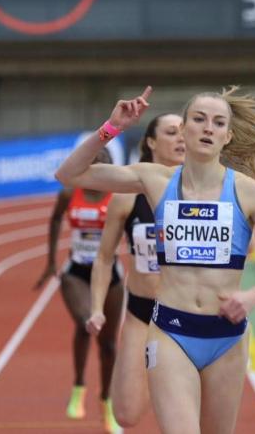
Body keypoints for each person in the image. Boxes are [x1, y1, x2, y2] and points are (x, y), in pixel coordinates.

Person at [56, 86, 255, 434]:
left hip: (227, 338)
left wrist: (252, 296)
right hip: (171, 333)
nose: (208, 128)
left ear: (227, 136)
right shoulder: (155, 180)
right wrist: (112, 128)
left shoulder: (248, 192)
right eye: (199, 120)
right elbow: (68, 175)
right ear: (184, 130)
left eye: (218, 123)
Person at [85, 113, 185, 428]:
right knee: (126, 412)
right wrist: (97, 308)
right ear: (151, 142)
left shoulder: (204, 192)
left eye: (185, 131)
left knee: (188, 417)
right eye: (172, 132)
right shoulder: (128, 197)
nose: (181, 138)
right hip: (143, 311)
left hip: (190, 313)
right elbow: (103, 258)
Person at [33, 147, 124, 434]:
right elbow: (56, 219)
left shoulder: (120, 198)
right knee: (86, 323)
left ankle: (106, 401)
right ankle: (79, 386)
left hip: (111, 274)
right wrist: (50, 262)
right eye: (97, 160)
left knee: (109, 344)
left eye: (108, 162)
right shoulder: (70, 193)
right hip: (77, 270)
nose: (103, 166)